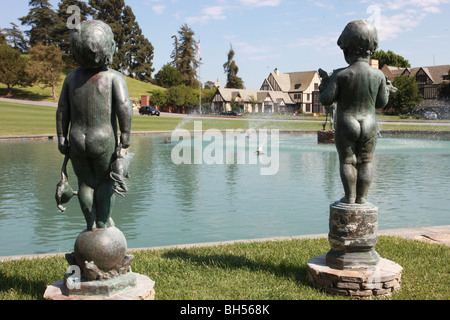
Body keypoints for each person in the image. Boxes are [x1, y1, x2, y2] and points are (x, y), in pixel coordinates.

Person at [56, 20, 133, 229]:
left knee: (85, 184)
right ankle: (103, 221)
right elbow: (124, 106)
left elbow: (62, 109)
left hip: (77, 139)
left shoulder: (70, 79)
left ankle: (90, 223)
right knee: (106, 182)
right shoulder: (114, 77)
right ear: (109, 48)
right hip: (103, 139)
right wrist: (125, 134)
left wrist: (61, 136)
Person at [318, 20, 391, 204]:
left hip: (347, 121)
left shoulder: (341, 75)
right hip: (369, 123)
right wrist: (387, 89)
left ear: (346, 49)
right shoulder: (378, 76)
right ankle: (362, 199)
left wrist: (323, 86)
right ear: (372, 48)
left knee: (347, 161)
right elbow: (382, 102)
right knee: (366, 161)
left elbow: (326, 100)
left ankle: (349, 197)